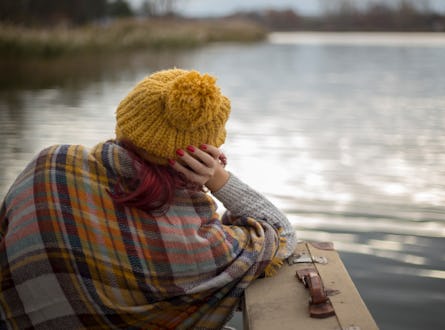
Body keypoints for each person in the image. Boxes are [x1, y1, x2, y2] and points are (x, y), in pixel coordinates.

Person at [0, 69, 296, 329]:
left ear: (126, 119)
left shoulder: (51, 165)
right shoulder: (201, 245)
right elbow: (280, 232)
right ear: (204, 154)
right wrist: (218, 180)